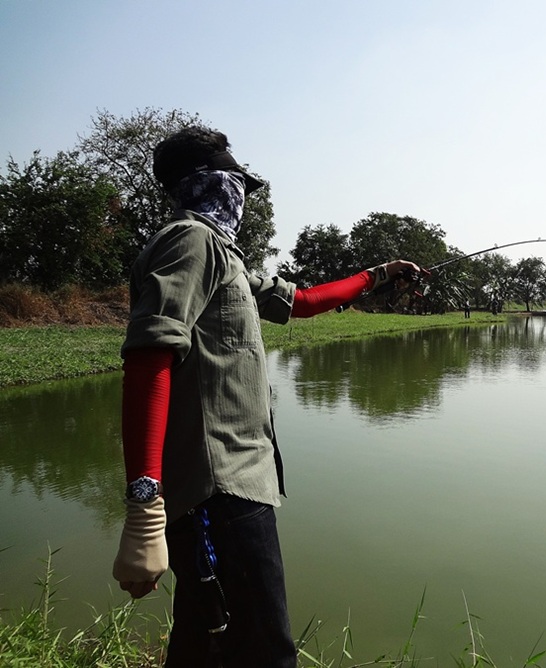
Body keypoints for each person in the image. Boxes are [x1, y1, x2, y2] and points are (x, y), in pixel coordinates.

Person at [111, 125, 423, 668]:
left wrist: (377, 275)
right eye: (235, 183)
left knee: (205, 643)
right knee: (266, 651)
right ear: (206, 183)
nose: (242, 197)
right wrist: (144, 507)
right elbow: (148, 358)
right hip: (219, 492)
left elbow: (299, 302)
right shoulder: (190, 240)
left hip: (235, 487)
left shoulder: (224, 256)